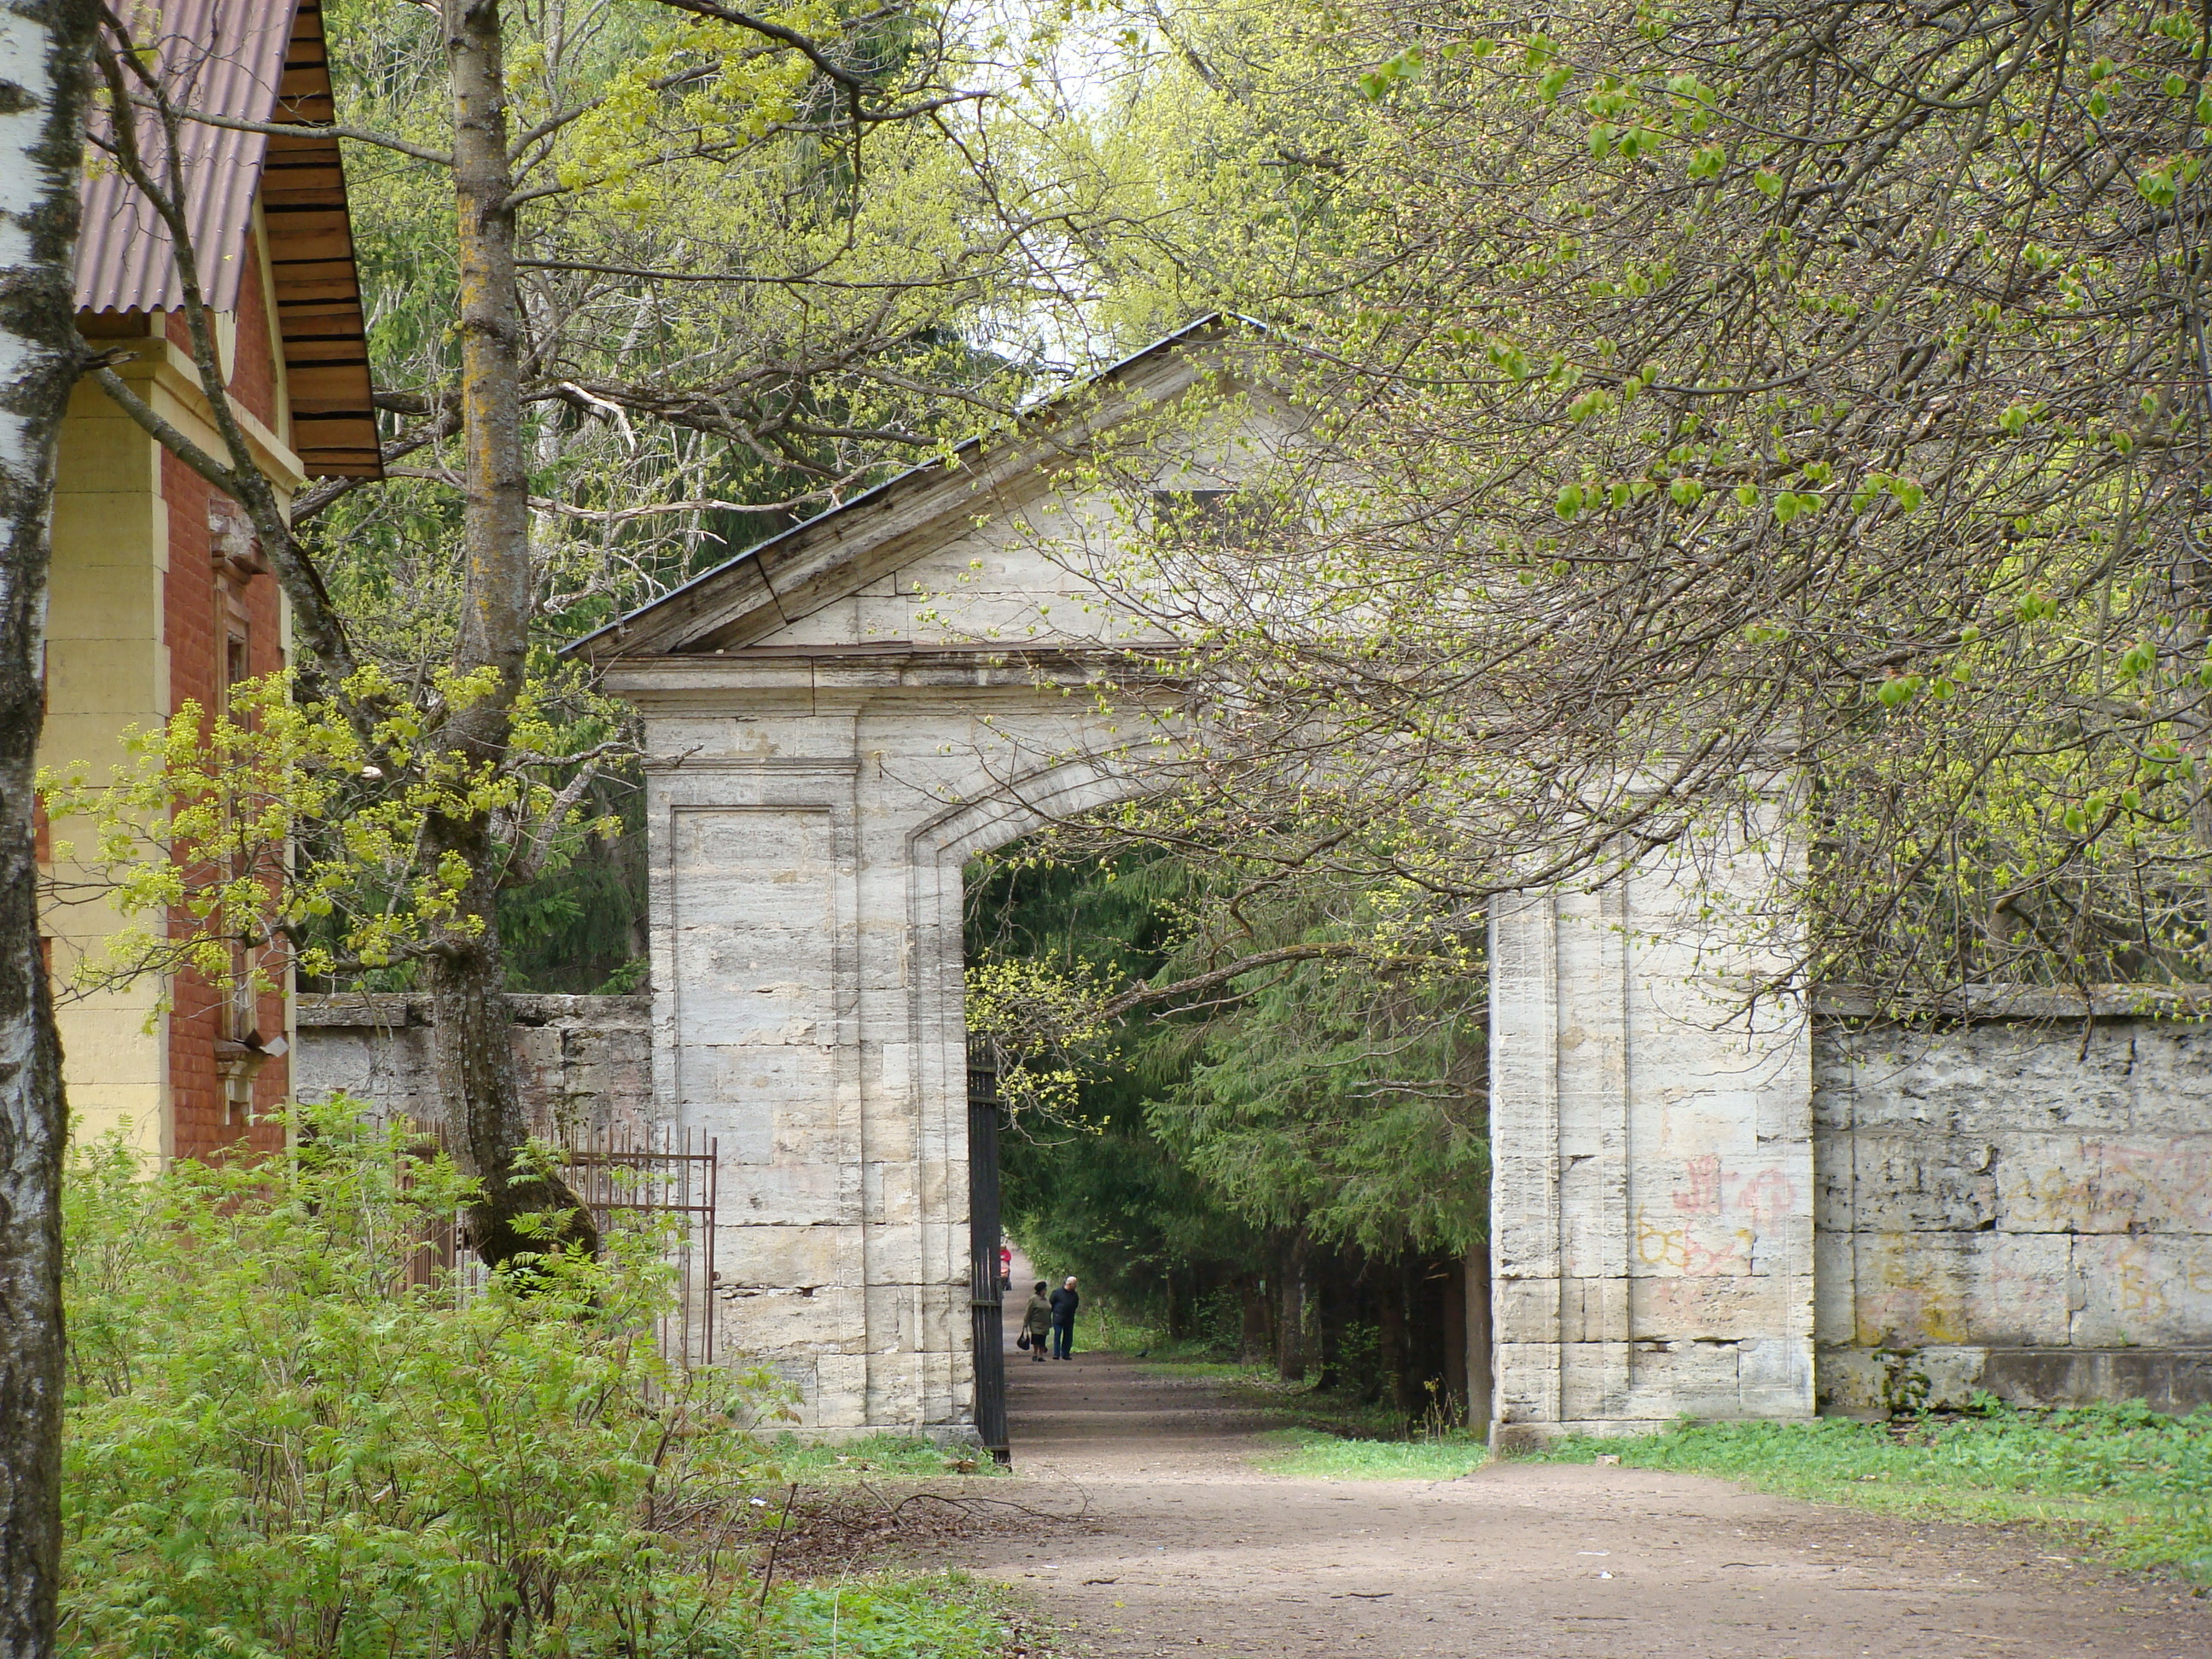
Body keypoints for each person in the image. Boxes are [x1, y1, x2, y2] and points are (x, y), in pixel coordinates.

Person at [1049, 1276, 1080, 1360]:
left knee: (1068, 1336)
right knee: (1057, 1334)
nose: (1076, 1286)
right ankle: (1056, 1353)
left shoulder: (1075, 1294)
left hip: (1069, 1319)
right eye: (1075, 1284)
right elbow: (1051, 1303)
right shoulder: (1057, 1292)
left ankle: (1066, 1354)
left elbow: (1075, 1304)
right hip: (1058, 1318)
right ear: (1070, 1284)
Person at [1021, 1279, 1052, 1363]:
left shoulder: (1046, 1299)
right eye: (1044, 1289)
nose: (1045, 1291)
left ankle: (1041, 1355)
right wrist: (1025, 1322)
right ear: (1041, 1290)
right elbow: (1029, 1311)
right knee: (1036, 1339)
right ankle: (1035, 1354)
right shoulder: (1033, 1299)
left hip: (1045, 1323)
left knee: (1042, 1340)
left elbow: (1049, 1310)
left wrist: (1050, 1322)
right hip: (1036, 1323)